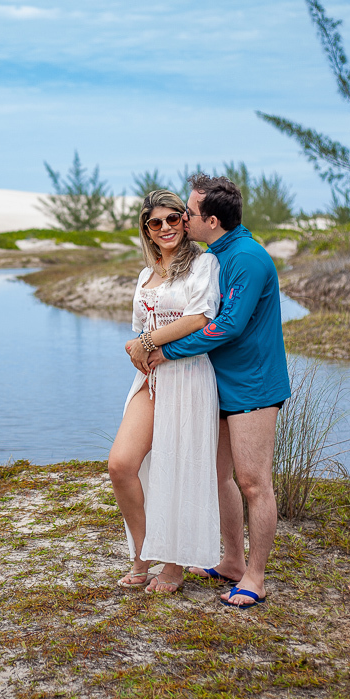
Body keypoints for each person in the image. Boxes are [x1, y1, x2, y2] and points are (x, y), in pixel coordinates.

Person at [146, 174, 291, 610]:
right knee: (218, 475)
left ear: (211, 221)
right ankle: (231, 561)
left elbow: (228, 326)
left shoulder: (248, 258)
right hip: (219, 383)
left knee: (253, 482)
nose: (182, 218)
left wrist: (166, 351)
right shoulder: (214, 256)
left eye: (188, 213)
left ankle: (255, 578)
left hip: (254, 386)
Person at [109, 190, 222, 594]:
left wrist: (147, 342)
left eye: (173, 218)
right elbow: (141, 329)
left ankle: (173, 567)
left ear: (184, 221)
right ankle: (143, 553)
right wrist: (136, 346)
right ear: (146, 229)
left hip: (188, 377)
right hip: (151, 379)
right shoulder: (145, 275)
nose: (165, 228)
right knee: (121, 465)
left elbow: (200, 318)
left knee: (178, 469)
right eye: (155, 222)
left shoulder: (204, 264)